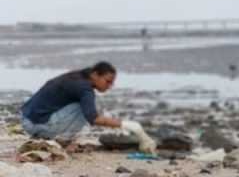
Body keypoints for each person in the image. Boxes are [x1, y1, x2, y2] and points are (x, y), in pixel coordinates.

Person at [21, 61, 155, 152]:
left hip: (27, 119)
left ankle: (46, 136)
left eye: (111, 83)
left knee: (84, 106)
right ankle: (63, 140)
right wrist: (129, 125)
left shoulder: (77, 77)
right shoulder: (84, 88)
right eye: (107, 82)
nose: (109, 86)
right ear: (95, 75)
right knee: (83, 109)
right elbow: (93, 118)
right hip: (36, 124)